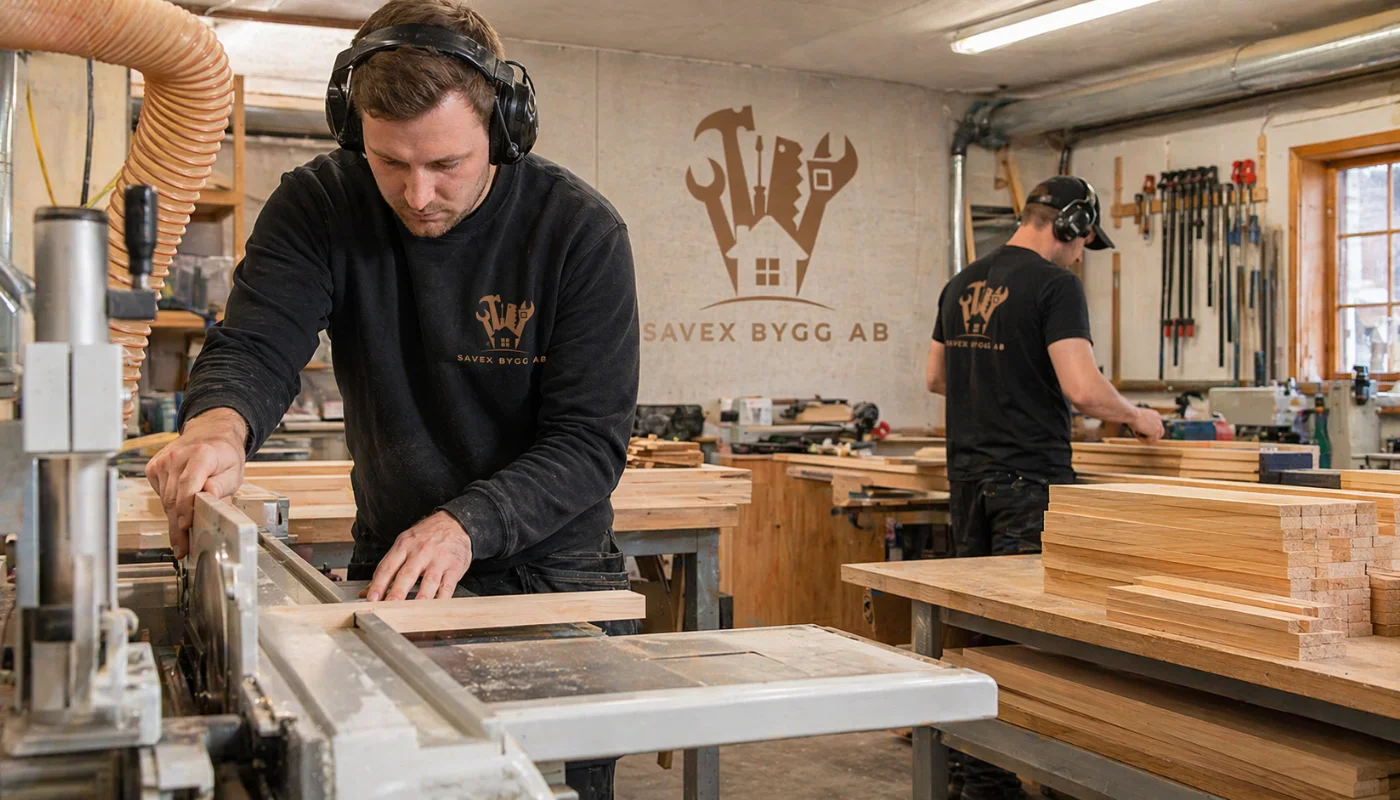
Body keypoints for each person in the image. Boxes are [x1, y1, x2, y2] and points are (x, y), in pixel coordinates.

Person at [146, 1, 638, 796]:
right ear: (354, 131)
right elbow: (257, 345)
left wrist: (465, 525)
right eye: (389, 163)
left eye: (447, 164)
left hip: (552, 579)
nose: (416, 195)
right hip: (398, 569)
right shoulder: (319, 204)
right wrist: (217, 428)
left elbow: (588, 442)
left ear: (504, 133)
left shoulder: (578, 233)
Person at [925, 175, 1163, 800]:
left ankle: (970, 769)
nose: (1082, 253)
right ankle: (1006, 779)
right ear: (1067, 225)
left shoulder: (961, 283)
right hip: (1029, 483)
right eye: (1084, 240)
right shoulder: (1057, 286)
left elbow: (936, 378)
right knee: (1031, 640)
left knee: (977, 627)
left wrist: (1003, 384)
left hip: (968, 481)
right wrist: (1137, 417)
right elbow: (1083, 390)